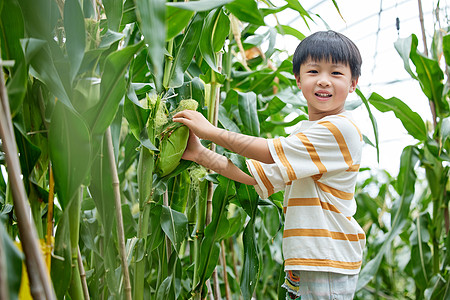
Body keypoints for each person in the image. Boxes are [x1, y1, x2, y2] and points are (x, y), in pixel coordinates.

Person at [173, 30, 365, 300]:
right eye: (313, 72)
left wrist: (211, 132)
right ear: (298, 79)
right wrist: (200, 155)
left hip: (326, 262)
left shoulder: (340, 129)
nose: (324, 81)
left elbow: (269, 153)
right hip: (306, 261)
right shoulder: (305, 134)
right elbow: (256, 175)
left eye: (336, 73)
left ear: (353, 83)